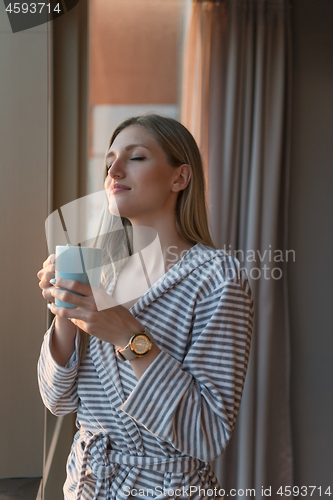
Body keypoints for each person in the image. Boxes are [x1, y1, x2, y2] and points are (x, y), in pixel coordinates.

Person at [37, 114, 253, 500]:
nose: (114, 171)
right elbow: (57, 401)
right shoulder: (97, 271)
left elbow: (207, 432)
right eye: (109, 162)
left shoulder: (218, 277)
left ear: (179, 178)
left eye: (135, 158)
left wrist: (129, 335)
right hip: (87, 487)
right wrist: (66, 316)